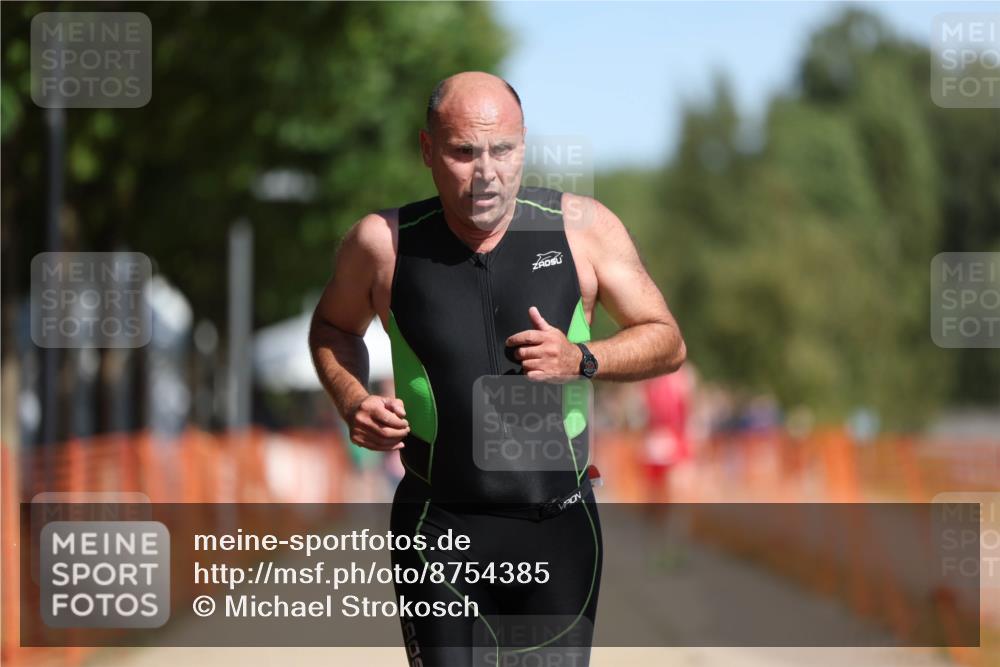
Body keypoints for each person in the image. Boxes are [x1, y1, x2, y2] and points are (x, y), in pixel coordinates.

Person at [309, 71, 686, 667]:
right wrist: (352, 398)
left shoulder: (579, 228)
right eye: (463, 152)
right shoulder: (384, 244)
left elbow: (667, 340)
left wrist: (584, 359)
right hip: (439, 527)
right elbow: (332, 328)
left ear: (524, 145)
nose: (486, 172)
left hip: (557, 528)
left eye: (502, 149)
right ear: (428, 150)